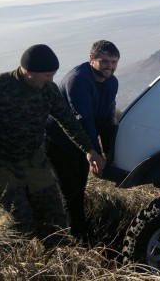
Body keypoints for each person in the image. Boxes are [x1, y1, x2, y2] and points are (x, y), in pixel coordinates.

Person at [0, 44, 106, 240]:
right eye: (47, 75)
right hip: (0, 164)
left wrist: (89, 149)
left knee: (55, 222)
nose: (51, 80)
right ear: (29, 72)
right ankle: (16, 265)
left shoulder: (48, 90)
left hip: (35, 161)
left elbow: (68, 121)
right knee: (19, 223)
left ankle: (55, 264)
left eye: (53, 75)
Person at [45, 40, 120, 242]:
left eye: (114, 62)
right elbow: (83, 119)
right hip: (59, 143)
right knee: (71, 191)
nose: (109, 66)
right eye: (104, 61)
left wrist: (110, 154)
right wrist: (93, 152)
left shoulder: (112, 82)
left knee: (79, 187)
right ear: (91, 59)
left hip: (82, 144)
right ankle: (78, 238)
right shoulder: (78, 80)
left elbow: (106, 119)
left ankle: (75, 228)